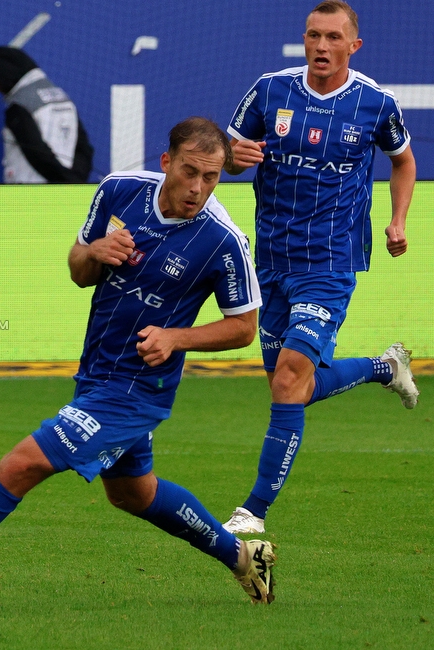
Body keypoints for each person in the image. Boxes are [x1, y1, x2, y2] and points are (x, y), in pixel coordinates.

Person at [0, 117, 279, 604]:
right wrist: (96, 251)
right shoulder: (119, 191)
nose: (199, 187)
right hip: (96, 373)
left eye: (212, 177)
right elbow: (80, 270)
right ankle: (245, 558)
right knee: (132, 494)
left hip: (138, 391)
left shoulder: (224, 241)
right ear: (167, 162)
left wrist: (175, 337)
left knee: (23, 464)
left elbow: (244, 327)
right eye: (190, 172)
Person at [222, 0, 419, 535]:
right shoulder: (270, 90)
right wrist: (234, 157)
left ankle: (252, 512)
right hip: (272, 261)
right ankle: (385, 368)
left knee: (289, 379)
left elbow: (403, 161)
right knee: (296, 387)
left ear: (353, 46)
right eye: (314, 36)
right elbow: (227, 152)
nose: (321, 47)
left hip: (330, 264)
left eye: (334, 37)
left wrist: (398, 220)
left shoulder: (376, 103)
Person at [0, 46, 94, 184]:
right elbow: (84, 149)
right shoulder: (64, 99)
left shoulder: (19, 105)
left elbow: (36, 153)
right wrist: (74, 183)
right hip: (64, 195)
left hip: (29, 196)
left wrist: (65, 182)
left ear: (5, 73)